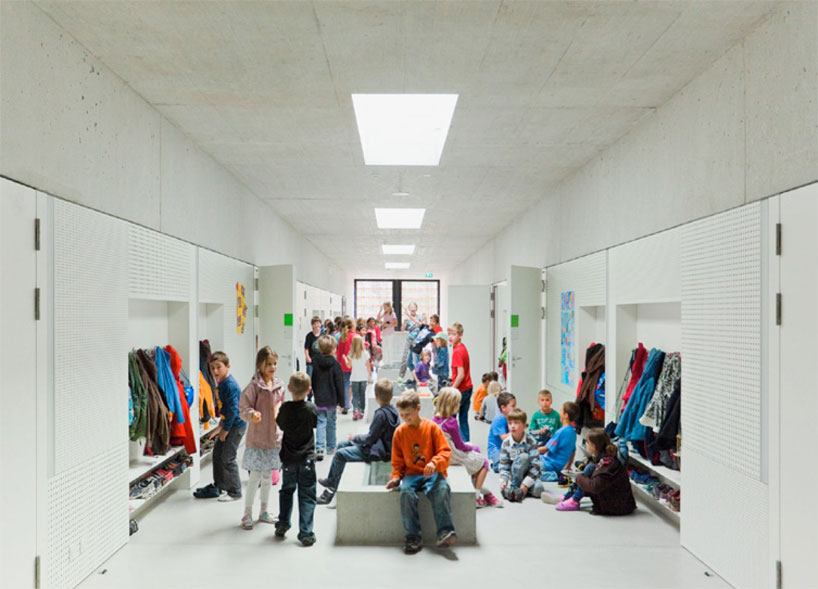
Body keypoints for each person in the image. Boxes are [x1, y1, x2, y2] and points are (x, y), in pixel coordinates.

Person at [387, 391, 457, 554]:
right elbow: (397, 460)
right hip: (411, 474)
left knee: (441, 489)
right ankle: (413, 537)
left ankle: (445, 531)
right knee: (405, 493)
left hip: (431, 473)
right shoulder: (399, 432)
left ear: (418, 409)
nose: (405, 418)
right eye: (402, 415)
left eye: (409, 414)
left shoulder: (432, 428)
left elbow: (445, 451)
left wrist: (434, 462)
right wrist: (396, 477)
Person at [316, 379, 399, 505]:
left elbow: (370, 438)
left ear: (376, 396)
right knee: (342, 445)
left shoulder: (380, 415)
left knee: (339, 454)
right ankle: (332, 479)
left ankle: (332, 489)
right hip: (382, 446)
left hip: (376, 451)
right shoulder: (393, 411)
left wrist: (355, 437)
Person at [237, 347, 284, 529]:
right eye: (268, 364)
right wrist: (252, 414)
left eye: (274, 363)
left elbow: (282, 406)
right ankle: (247, 513)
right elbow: (243, 407)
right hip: (257, 439)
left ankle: (264, 510)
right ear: (260, 364)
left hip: (274, 439)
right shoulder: (254, 386)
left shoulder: (279, 384)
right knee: (255, 477)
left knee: (268, 477)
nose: (272, 367)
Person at [433, 387, 502, 508]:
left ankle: (480, 490)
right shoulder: (451, 422)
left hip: (441, 453)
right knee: (484, 462)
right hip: (453, 456)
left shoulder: (435, 419)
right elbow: (460, 445)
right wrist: (473, 448)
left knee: (475, 452)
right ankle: (476, 495)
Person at [193, 351, 247, 500]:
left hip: (236, 425)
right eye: (212, 368)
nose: (215, 371)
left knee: (228, 458)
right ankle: (220, 486)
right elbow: (225, 410)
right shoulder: (221, 384)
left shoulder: (229, 385)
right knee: (217, 454)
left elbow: (234, 411)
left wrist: (225, 430)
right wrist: (220, 427)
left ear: (227, 367)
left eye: (219, 367)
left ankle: (235, 491)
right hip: (228, 423)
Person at [545, 429, 636, 515]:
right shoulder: (602, 458)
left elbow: (595, 487)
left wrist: (579, 477)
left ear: (593, 445)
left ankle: (573, 500)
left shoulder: (608, 463)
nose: (586, 444)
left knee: (588, 471)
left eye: (587, 442)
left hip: (618, 506)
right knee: (589, 468)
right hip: (615, 500)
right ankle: (571, 497)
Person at [275, 372, 318, 546]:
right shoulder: (311, 409)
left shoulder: (285, 409)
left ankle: (283, 524)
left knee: (287, 491)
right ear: (309, 390)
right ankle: (306, 532)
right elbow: (315, 424)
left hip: (288, 459)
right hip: (307, 458)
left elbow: (280, 424)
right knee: (307, 494)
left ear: (289, 389)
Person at [311, 335, 345, 461]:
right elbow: (340, 384)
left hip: (320, 398)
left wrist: (315, 394)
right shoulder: (336, 365)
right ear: (333, 349)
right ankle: (331, 447)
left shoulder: (316, 364)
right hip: (332, 399)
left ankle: (319, 448)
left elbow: (313, 381)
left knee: (321, 421)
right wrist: (342, 401)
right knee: (331, 423)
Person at [498, 409, 544, 502]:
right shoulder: (506, 443)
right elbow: (504, 465)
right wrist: (503, 481)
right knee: (523, 457)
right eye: (510, 423)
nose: (512, 426)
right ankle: (515, 488)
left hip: (529, 475)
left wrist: (525, 485)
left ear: (524, 425)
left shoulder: (531, 441)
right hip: (515, 477)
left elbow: (536, 466)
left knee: (539, 489)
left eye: (516, 423)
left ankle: (517, 491)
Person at [539, 401, 580, 482]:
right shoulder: (573, 432)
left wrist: (530, 450)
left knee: (527, 472)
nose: (559, 412)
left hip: (548, 464)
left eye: (561, 410)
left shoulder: (561, 432)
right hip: (556, 465)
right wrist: (568, 465)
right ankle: (556, 474)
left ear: (566, 415)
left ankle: (554, 476)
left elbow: (546, 449)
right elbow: (573, 451)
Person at [448, 322, 473, 441]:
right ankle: (466, 444)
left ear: (460, 335)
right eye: (449, 334)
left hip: (461, 390)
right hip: (468, 388)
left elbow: (461, 374)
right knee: (463, 419)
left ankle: (455, 445)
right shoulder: (462, 347)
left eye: (454, 334)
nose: (450, 337)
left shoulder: (457, 351)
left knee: (451, 419)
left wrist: (452, 389)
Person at [487, 392, 516, 472]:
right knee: (500, 467)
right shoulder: (498, 419)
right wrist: (515, 432)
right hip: (496, 449)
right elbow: (503, 437)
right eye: (512, 406)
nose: (515, 408)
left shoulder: (511, 417)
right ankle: (495, 464)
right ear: (503, 408)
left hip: (507, 448)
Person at [349, 335, 371, 421]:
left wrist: (344, 359)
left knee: (355, 395)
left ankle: (355, 411)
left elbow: (349, 365)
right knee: (362, 394)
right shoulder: (365, 353)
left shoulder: (351, 353)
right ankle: (362, 411)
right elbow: (368, 366)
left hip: (354, 377)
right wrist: (369, 376)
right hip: (363, 377)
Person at [336, 318, 354, 414]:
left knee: (345, 384)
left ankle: (345, 405)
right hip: (354, 364)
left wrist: (338, 362)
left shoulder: (343, 337)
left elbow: (339, 352)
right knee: (355, 384)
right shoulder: (355, 336)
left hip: (344, 364)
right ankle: (355, 405)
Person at [304, 316, 322, 400]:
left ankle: (317, 395)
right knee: (309, 379)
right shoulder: (309, 336)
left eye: (318, 323)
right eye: (315, 323)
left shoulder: (322, 336)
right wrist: (307, 356)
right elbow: (306, 348)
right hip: (311, 361)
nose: (317, 325)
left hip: (319, 362)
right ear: (312, 325)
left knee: (318, 379)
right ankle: (309, 396)